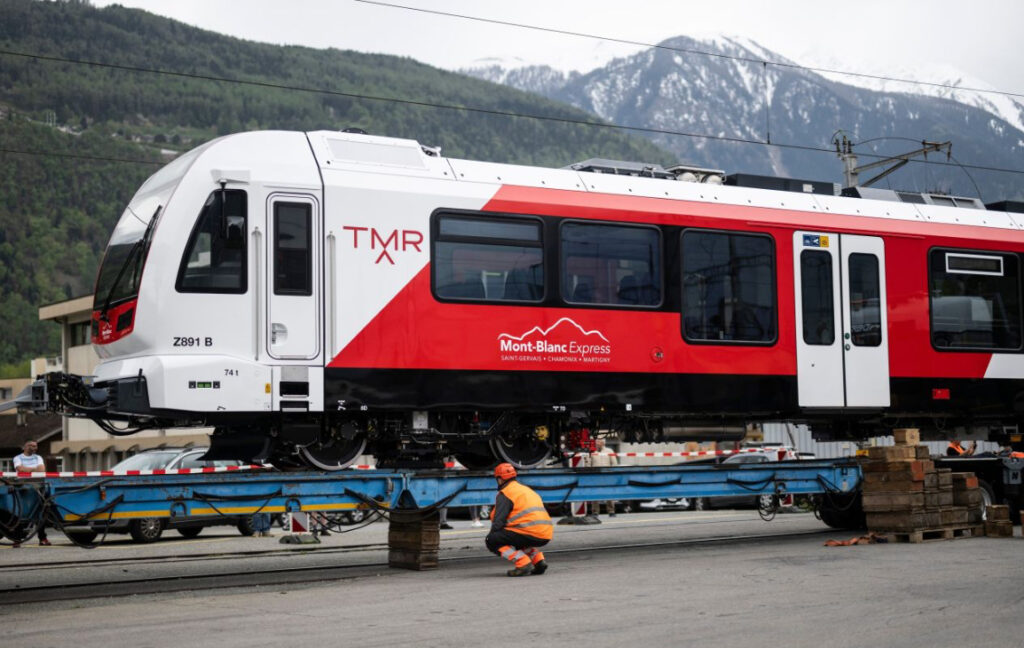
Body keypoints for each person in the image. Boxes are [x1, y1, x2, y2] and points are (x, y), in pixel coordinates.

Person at [486, 463, 553, 577]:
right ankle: (538, 561)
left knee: (493, 540)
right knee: (516, 538)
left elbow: (498, 521)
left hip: (528, 532)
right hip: (545, 533)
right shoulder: (526, 490)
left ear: (500, 479)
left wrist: (492, 536)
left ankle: (523, 563)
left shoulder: (506, 493)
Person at [12, 441, 50, 547]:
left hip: (38, 486)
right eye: (32, 446)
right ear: (25, 447)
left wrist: (28, 470)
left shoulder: (38, 457)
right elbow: (20, 469)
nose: (34, 448)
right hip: (22, 487)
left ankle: (43, 539)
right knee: (19, 513)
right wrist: (34, 469)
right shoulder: (17, 458)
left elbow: (42, 470)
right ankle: (17, 540)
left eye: (36, 446)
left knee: (41, 513)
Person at [588, 438, 619, 517]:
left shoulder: (609, 451)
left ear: (603, 443)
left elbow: (614, 463)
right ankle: (595, 512)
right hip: (595, 475)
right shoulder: (592, 452)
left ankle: (611, 511)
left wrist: (613, 473)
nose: (596, 443)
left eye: (598, 441)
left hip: (607, 475)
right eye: (596, 442)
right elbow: (589, 464)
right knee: (595, 494)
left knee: (609, 493)